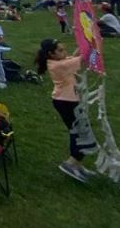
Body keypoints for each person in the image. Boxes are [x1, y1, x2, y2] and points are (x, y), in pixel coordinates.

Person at [34, 39, 97, 183]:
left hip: (67, 101)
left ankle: (77, 165)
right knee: (79, 133)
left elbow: (74, 57)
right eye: (61, 50)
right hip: (66, 103)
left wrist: (85, 42)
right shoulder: (59, 65)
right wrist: (91, 42)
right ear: (51, 54)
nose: (65, 52)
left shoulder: (58, 61)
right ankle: (70, 163)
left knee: (79, 131)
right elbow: (82, 58)